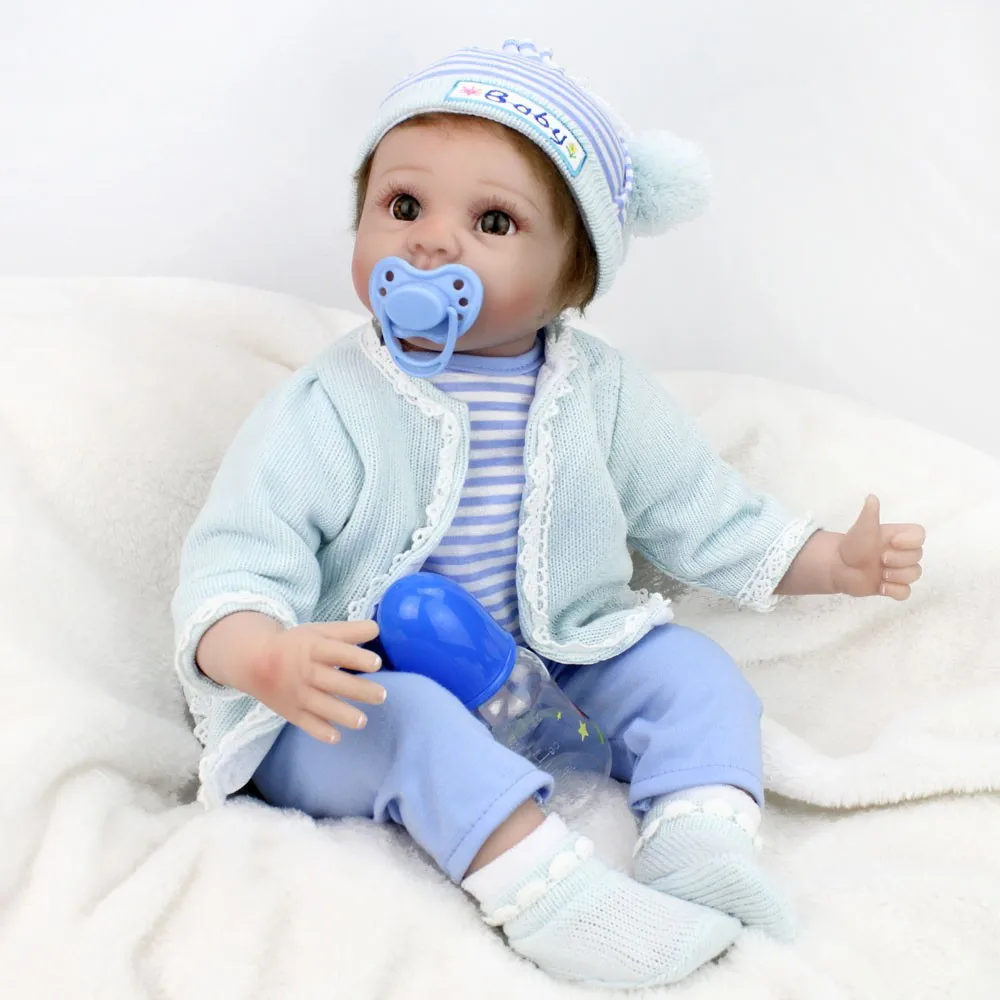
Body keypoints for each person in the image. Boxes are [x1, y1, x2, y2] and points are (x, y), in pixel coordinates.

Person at [171, 39, 925, 989]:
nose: (430, 244)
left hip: (551, 661)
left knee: (691, 670)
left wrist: (829, 560)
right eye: (403, 205)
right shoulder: (327, 407)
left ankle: (700, 840)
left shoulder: (600, 392)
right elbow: (238, 557)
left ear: (575, 275)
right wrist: (262, 657)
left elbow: (700, 510)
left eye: (492, 220)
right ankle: (551, 897)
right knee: (413, 722)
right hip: (346, 696)